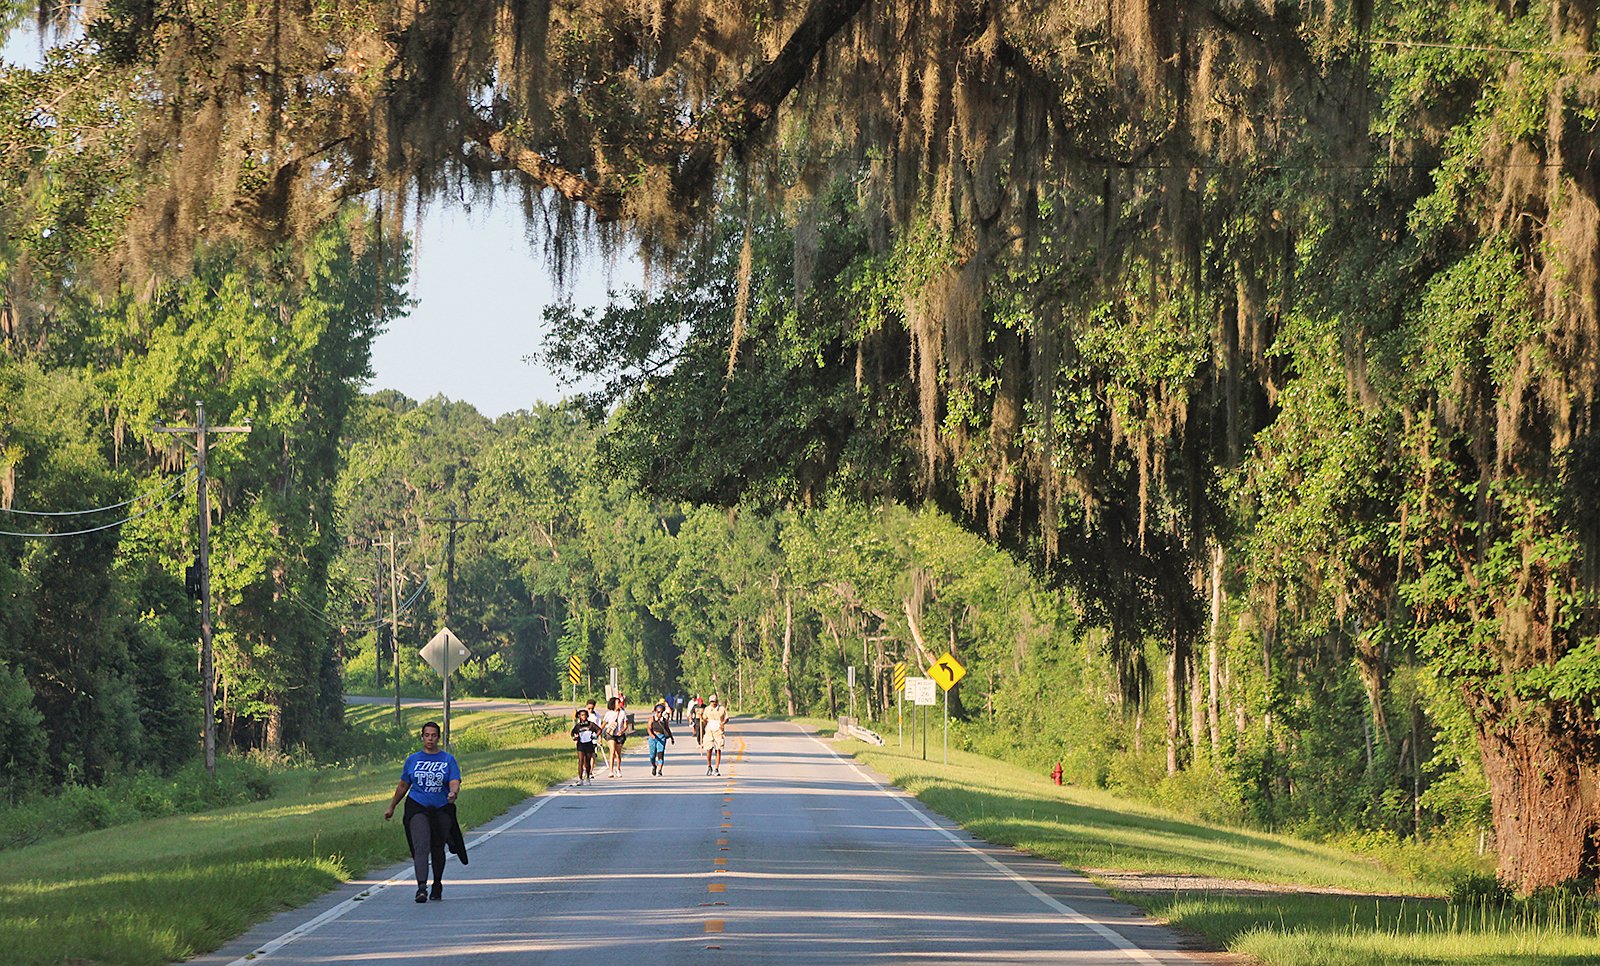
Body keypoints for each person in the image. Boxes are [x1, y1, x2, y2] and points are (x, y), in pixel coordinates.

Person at [384, 721, 465, 903]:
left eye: (433, 735)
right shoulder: (413, 760)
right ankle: (421, 888)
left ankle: (437, 882)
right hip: (417, 806)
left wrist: (453, 792)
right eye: (427, 735)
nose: (430, 739)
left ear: (438, 737)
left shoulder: (447, 759)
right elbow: (404, 784)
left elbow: (454, 780)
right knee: (421, 845)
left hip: (441, 807)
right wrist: (392, 806)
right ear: (422, 737)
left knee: (437, 847)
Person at [701, 694, 729, 776]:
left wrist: (723, 723)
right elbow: (704, 719)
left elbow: (726, 718)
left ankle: (716, 768)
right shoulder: (707, 709)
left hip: (718, 730)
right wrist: (702, 719)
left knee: (718, 748)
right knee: (708, 748)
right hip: (710, 729)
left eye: (714, 701)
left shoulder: (721, 709)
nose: (713, 703)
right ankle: (709, 766)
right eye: (712, 701)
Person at [572, 708, 599, 784]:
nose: (583, 716)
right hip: (581, 744)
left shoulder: (591, 725)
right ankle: (580, 779)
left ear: (587, 716)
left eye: (585, 715)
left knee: (587, 761)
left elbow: (599, 730)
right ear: (579, 716)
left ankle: (587, 778)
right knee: (580, 761)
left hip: (589, 744)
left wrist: (595, 736)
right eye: (582, 715)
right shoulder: (578, 726)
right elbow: (573, 733)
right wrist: (575, 737)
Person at [647, 703, 675, 775]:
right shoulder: (652, 719)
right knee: (652, 755)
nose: (660, 713)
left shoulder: (664, 720)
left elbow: (667, 729)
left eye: (662, 712)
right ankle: (654, 766)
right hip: (653, 738)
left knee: (660, 753)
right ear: (656, 712)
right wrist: (652, 735)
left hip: (661, 737)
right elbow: (649, 728)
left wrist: (671, 738)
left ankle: (660, 770)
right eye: (658, 712)